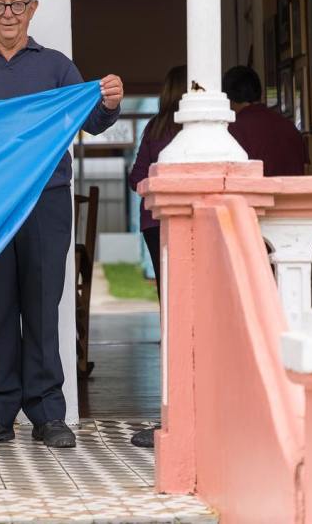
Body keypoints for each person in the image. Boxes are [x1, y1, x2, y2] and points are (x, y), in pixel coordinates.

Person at [0, 0, 124, 449]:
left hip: (46, 202)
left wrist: (109, 102)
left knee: (43, 307)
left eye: (17, 4)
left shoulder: (57, 67)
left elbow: (93, 120)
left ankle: (48, 414)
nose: (8, 14)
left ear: (32, 8)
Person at [125, 64, 186, 449]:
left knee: (171, 301)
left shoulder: (155, 128)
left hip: (155, 222)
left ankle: (174, 388)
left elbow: (136, 178)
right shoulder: (201, 130)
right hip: (193, 223)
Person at [222, 65, 308, 176]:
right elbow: (306, 169)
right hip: (295, 187)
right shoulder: (290, 127)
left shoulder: (233, 130)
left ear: (228, 98)